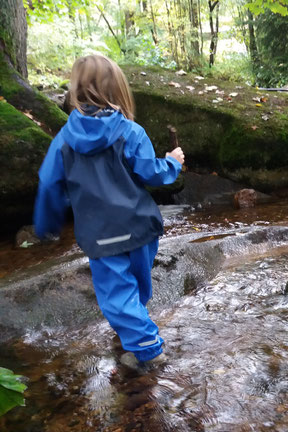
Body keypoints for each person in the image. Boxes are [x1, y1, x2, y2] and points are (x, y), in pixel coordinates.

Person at [33, 55, 185, 368]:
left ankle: (147, 347)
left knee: (117, 292)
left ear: (76, 90)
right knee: (138, 284)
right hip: (141, 228)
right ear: (118, 90)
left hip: (102, 236)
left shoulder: (64, 140)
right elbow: (150, 174)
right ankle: (134, 328)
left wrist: (47, 227)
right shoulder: (131, 132)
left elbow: (48, 184)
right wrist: (172, 162)